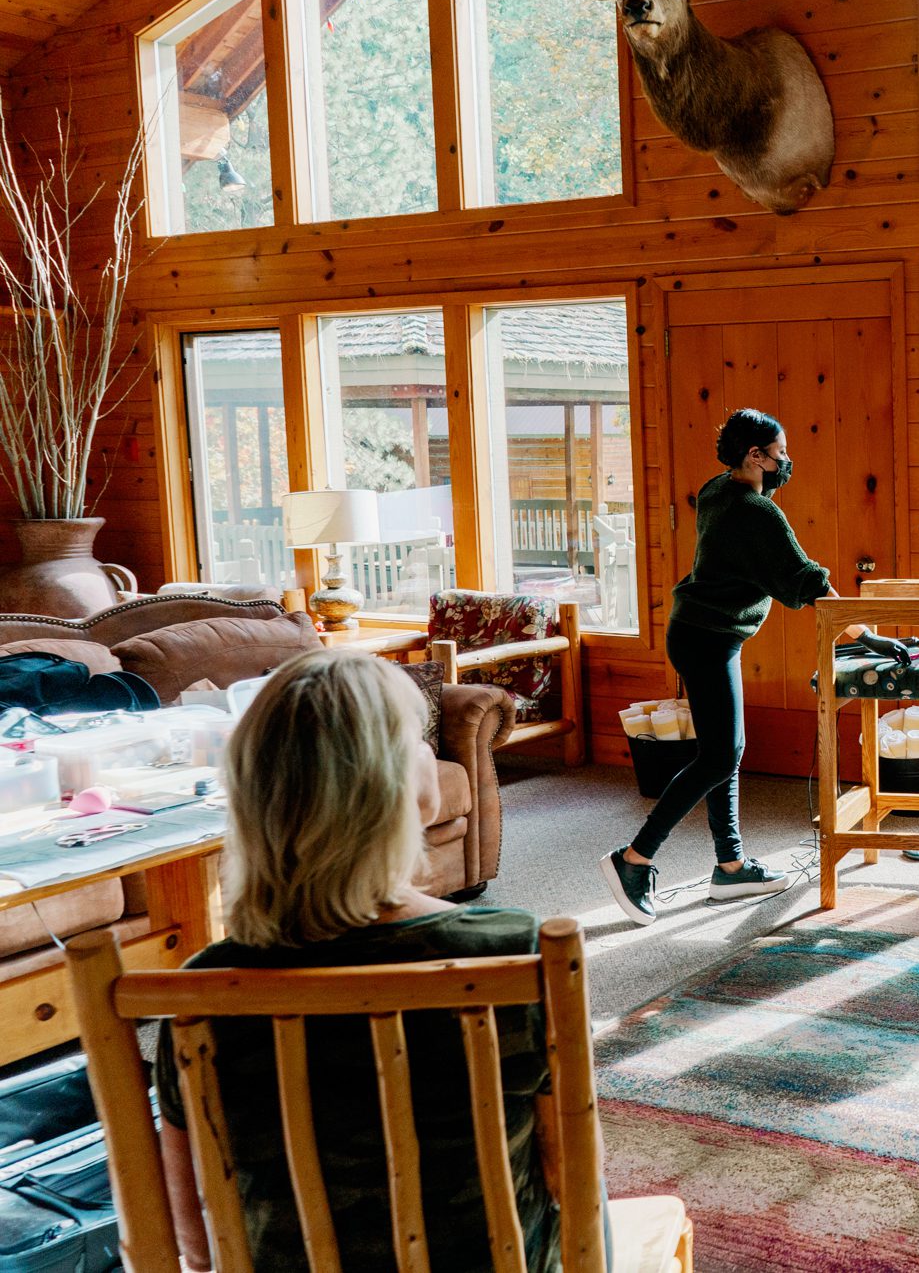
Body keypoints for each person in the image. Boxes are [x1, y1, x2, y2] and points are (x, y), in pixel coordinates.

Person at [156, 650, 563, 1270]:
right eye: (418, 741)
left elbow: (193, 1242)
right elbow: (567, 1178)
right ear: (402, 788)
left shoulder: (197, 995)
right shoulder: (516, 952)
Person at [600, 407, 860, 923]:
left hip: (700, 634)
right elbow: (807, 581)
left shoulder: (718, 489)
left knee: (726, 750)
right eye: (780, 454)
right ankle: (634, 859)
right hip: (706, 639)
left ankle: (731, 866)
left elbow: (773, 561)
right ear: (755, 456)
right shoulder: (755, 512)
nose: (788, 462)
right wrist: (866, 634)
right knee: (720, 756)